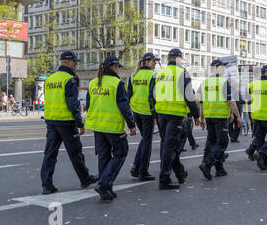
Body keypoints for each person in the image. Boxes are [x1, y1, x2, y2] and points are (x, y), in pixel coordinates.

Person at [40, 51, 98, 195]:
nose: (75, 64)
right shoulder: (69, 80)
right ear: (66, 62)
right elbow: (73, 103)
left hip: (51, 121)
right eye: (74, 62)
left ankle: (47, 184)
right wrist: (80, 123)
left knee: (50, 153)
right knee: (75, 152)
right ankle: (85, 178)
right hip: (66, 122)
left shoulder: (50, 79)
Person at [85, 56, 137, 201]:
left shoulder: (93, 83)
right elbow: (124, 106)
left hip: (97, 125)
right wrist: (131, 125)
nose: (118, 70)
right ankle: (104, 184)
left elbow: (89, 105)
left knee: (104, 156)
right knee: (121, 153)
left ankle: (106, 189)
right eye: (118, 67)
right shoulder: (117, 83)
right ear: (113, 67)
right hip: (112, 126)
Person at [153, 48, 200, 190]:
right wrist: (196, 114)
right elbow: (189, 97)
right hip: (175, 115)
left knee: (168, 145)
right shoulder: (182, 73)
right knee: (169, 146)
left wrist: (154, 114)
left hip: (161, 113)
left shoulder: (159, 73)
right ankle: (164, 178)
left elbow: (152, 95)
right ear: (178, 58)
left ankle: (179, 172)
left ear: (168, 58)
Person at [198, 59, 241, 179]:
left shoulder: (205, 83)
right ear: (216, 67)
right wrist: (238, 116)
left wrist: (202, 119)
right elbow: (231, 101)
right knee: (222, 142)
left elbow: (201, 103)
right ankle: (207, 163)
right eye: (222, 67)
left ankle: (219, 169)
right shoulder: (223, 82)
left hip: (209, 117)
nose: (224, 69)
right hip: (220, 118)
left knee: (213, 143)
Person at [128, 53, 160, 181]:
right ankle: (143, 171)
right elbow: (154, 96)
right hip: (147, 113)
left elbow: (128, 94)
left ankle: (136, 167)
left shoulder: (133, 75)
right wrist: (156, 115)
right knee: (147, 141)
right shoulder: (153, 75)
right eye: (153, 61)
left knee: (145, 139)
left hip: (136, 112)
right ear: (147, 61)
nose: (155, 63)